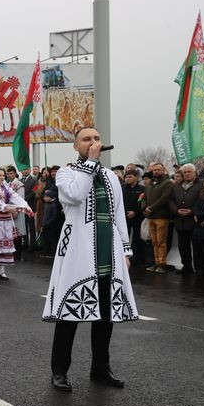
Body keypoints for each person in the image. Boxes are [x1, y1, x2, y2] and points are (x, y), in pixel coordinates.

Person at [44, 128, 138, 392]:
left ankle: (100, 369)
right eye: (87, 139)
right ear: (76, 146)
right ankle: (59, 370)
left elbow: (118, 214)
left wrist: (126, 250)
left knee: (106, 314)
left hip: (108, 249)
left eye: (96, 139)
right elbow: (75, 195)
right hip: (78, 249)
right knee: (70, 312)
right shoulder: (66, 173)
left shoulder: (110, 176)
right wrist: (91, 163)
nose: (93, 142)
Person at [0, 168, 32, 279]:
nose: (2, 177)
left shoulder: (7, 188)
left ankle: (2, 270)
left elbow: (16, 197)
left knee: (6, 243)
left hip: (6, 218)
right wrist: (6, 207)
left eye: (3, 175)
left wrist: (26, 206)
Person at [170, 164, 203, 274]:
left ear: (195, 172)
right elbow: (170, 200)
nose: (187, 174)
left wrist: (192, 211)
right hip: (180, 220)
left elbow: (202, 201)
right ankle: (186, 266)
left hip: (194, 221)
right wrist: (176, 210)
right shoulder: (176, 186)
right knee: (183, 246)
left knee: (197, 247)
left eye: (189, 172)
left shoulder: (201, 185)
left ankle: (199, 268)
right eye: (185, 172)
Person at [143, 162, 174, 273]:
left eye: (158, 170)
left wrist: (151, 208)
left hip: (161, 216)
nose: (156, 172)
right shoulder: (149, 183)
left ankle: (162, 264)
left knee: (161, 242)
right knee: (154, 242)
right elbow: (144, 197)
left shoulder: (167, 183)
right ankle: (156, 262)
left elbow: (164, 198)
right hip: (150, 217)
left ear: (163, 170)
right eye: (154, 170)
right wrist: (144, 207)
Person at [122, 169, 146, 266]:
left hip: (137, 216)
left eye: (130, 177)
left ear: (136, 177)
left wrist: (135, 212)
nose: (127, 179)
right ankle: (125, 257)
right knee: (125, 237)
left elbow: (142, 202)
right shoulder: (122, 188)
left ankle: (136, 258)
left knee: (137, 238)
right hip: (124, 216)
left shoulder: (142, 189)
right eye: (126, 177)